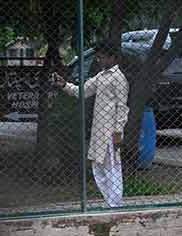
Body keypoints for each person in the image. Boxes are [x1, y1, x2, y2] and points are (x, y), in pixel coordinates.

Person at [54, 41, 129, 208]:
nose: (99, 60)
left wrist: (118, 133)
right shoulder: (101, 76)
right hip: (98, 130)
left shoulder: (119, 78)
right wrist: (64, 85)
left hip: (111, 132)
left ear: (112, 57)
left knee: (112, 167)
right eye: (98, 57)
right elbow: (82, 91)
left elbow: (122, 108)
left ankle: (115, 204)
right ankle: (111, 202)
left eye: (101, 57)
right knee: (98, 166)